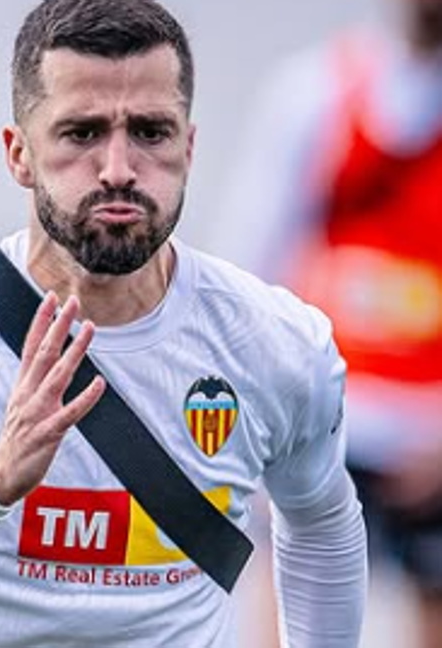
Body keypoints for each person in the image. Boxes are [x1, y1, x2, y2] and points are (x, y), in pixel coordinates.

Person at [0, 0, 368, 646]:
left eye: (151, 133)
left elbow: (322, 524)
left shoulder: (274, 342)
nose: (119, 169)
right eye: (82, 133)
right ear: (19, 154)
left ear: (188, 146)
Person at [221, 0, 442, 645]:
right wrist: (260, 431)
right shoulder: (313, 94)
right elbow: (252, 274)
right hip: (326, 425)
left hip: (430, 440)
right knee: (286, 622)